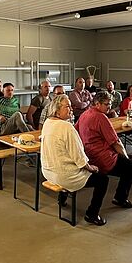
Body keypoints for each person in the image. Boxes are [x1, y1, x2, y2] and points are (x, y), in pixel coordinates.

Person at [75, 91, 132, 224]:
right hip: (106, 160)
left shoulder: (85, 115)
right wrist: (125, 159)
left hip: (93, 158)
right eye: (106, 104)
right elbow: (116, 143)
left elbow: (75, 131)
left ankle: (120, 197)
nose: (109, 107)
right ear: (97, 104)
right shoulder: (101, 117)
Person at [41, 94, 109, 226]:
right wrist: (91, 168)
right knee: (103, 179)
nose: (71, 109)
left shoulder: (47, 123)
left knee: (65, 162)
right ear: (56, 110)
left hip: (48, 171)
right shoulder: (66, 127)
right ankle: (92, 214)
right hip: (63, 176)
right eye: (67, 107)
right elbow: (79, 158)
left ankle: (62, 200)